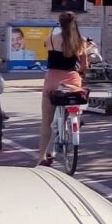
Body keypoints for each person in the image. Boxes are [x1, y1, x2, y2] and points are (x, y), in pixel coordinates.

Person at [38, 12, 89, 167]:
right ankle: (74, 118)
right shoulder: (81, 42)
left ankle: (42, 157)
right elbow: (84, 66)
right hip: (72, 82)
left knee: (46, 122)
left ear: (59, 23)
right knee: (74, 99)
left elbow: (46, 48)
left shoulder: (51, 40)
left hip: (52, 82)